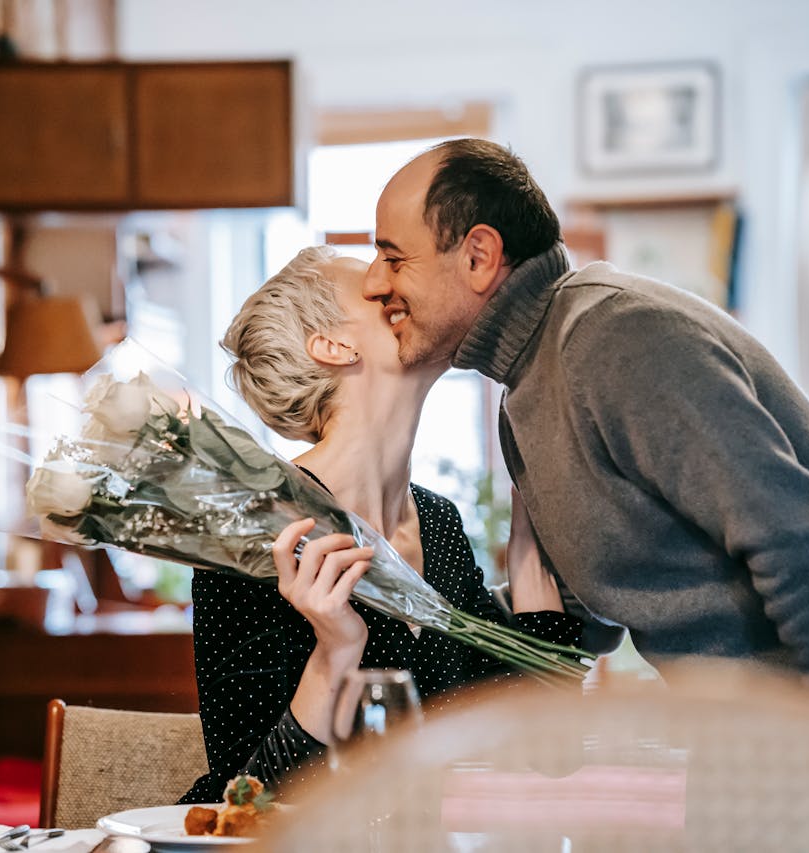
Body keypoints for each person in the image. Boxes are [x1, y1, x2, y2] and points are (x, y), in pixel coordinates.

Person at [362, 137, 809, 717]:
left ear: (478, 256)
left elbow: (804, 545)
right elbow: (592, 612)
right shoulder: (525, 394)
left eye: (393, 257)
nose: (373, 282)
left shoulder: (614, 339)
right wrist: (409, 612)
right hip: (757, 742)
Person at [179, 247, 582, 803]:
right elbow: (245, 799)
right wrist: (335, 652)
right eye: (373, 289)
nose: (394, 287)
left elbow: (550, 748)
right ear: (333, 345)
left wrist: (530, 557)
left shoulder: (438, 525)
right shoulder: (250, 530)